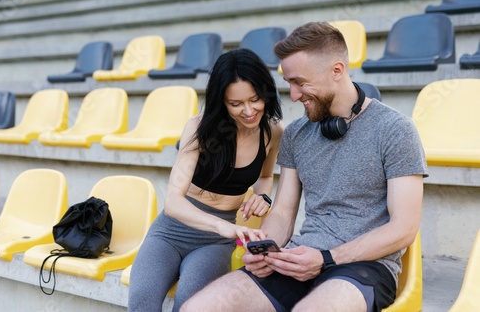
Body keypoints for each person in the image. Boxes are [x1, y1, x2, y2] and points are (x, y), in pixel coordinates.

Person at [181, 21, 428, 312]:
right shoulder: (297, 133)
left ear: (337, 71)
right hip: (299, 258)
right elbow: (284, 212)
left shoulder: (395, 129)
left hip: (364, 267)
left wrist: (327, 258)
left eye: (301, 82)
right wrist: (267, 250)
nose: (294, 95)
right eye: (289, 83)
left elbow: (404, 228)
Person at [128, 48, 284, 312]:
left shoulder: (273, 130)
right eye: (235, 104)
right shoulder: (199, 127)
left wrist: (263, 196)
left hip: (215, 242)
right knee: (142, 304)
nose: (248, 110)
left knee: (190, 305)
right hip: (170, 231)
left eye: (256, 99)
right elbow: (174, 202)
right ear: (221, 102)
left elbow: (266, 176)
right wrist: (221, 226)